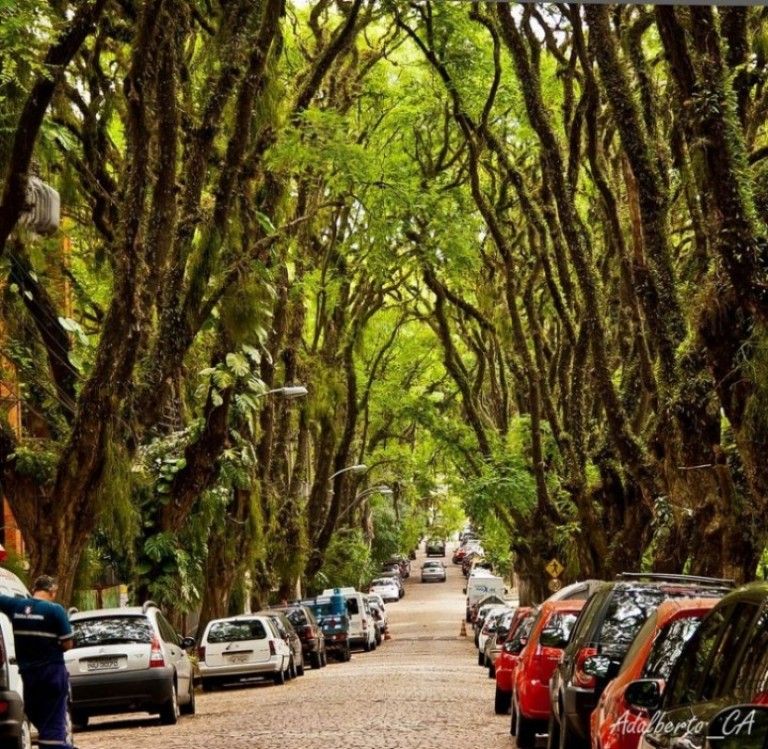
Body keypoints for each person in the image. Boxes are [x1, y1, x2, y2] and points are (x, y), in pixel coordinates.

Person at [0, 575, 74, 749]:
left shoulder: (16, 606)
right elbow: (68, 643)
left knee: (37, 715)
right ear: (52, 591)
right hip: (52, 673)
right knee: (53, 724)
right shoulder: (55, 610)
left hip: (30, 676)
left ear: (34, 589)